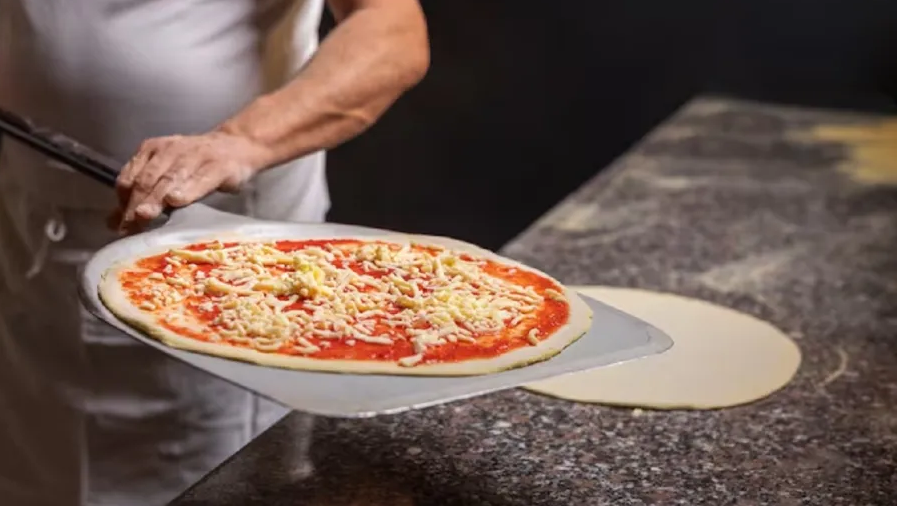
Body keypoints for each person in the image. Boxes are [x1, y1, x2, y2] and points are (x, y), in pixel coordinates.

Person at [0, 1, 429, 505]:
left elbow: (391, 30)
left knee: (212, 485)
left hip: (230, 265)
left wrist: (240, 142)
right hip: (32, 245)